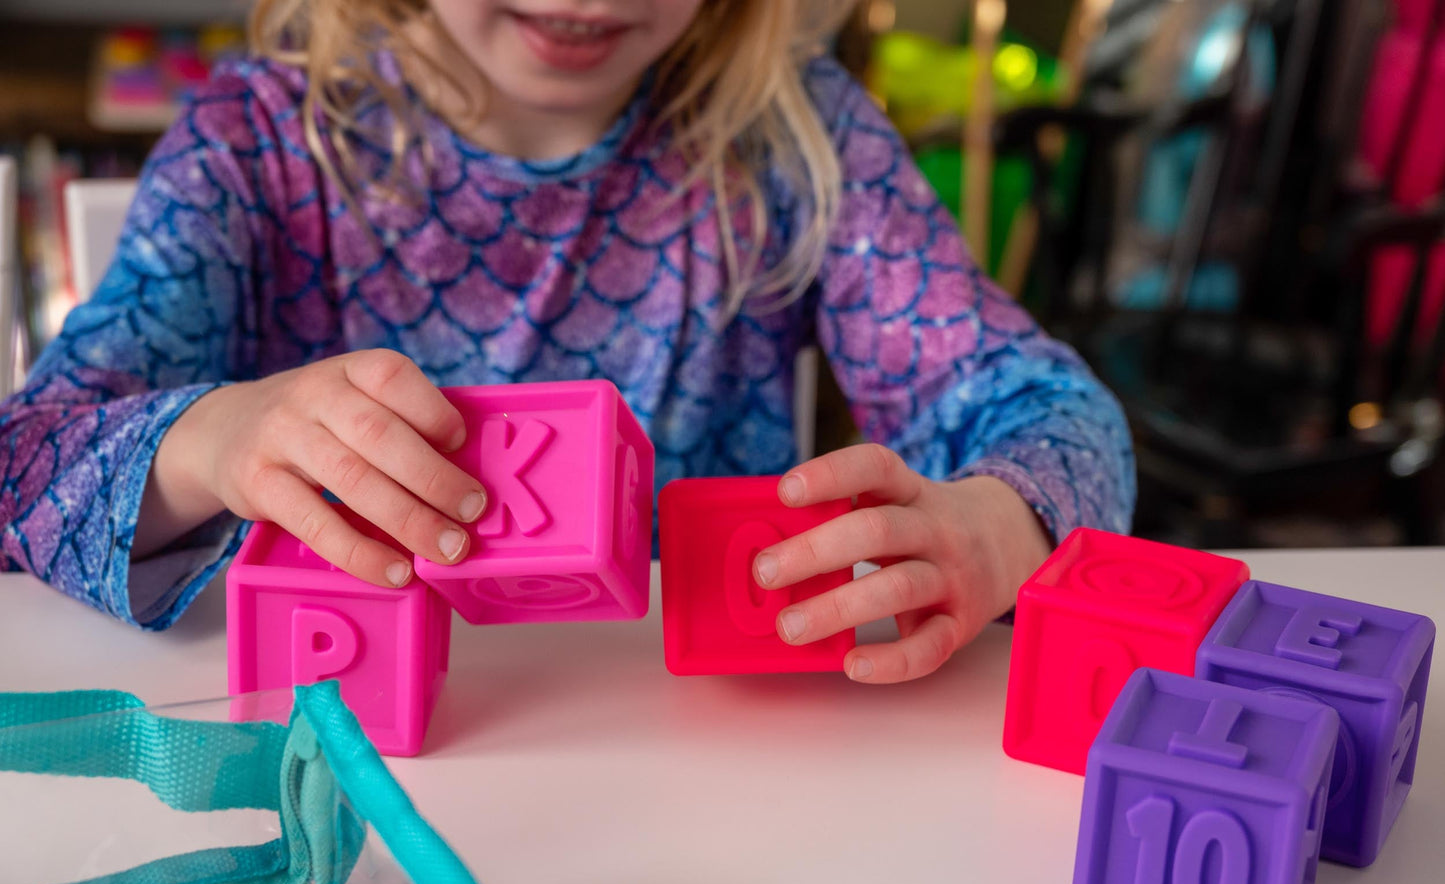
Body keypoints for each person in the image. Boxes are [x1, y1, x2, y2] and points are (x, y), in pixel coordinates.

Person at [0, 0, 1134, 684]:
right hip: (337, 756)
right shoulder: (257, 141)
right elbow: (25, 466)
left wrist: (1002, 522)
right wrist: (213, 438)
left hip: (703, 757)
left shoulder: (792, 134)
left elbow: (1055, 413)